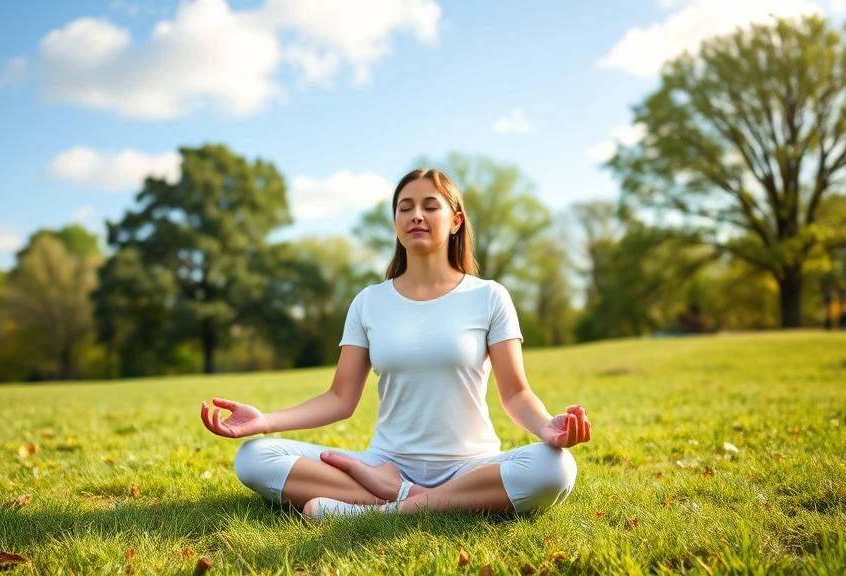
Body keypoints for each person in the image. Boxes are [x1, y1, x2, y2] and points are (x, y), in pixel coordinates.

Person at [200, 168, 592, 520]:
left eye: (429, 206)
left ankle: (389, 508)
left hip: (471, 465)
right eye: (405, 208)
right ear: (396, 223)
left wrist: (545, 427)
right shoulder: (369, 301)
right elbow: (340, 397)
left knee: (555, 468)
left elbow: (516, 393)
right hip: (384, 464)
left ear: (456, 221)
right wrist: (264, 422)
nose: (416, 215)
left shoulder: (489, 296)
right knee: (255, 457)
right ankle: (424, 499)